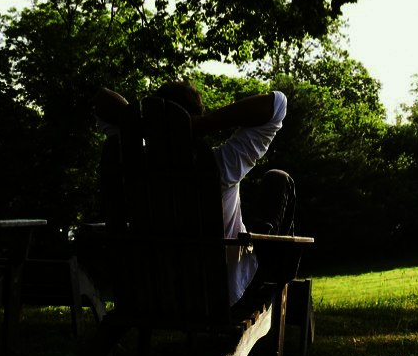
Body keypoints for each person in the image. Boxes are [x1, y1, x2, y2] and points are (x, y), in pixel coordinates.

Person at [93, 82, 297, 310]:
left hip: (155, 291)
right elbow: (278, 104)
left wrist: (145, 126)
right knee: (279, 179)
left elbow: (102, 97)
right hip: (222, 295)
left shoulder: (134, 164)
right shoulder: (220, 167)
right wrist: (200, 125)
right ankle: (278, 277)